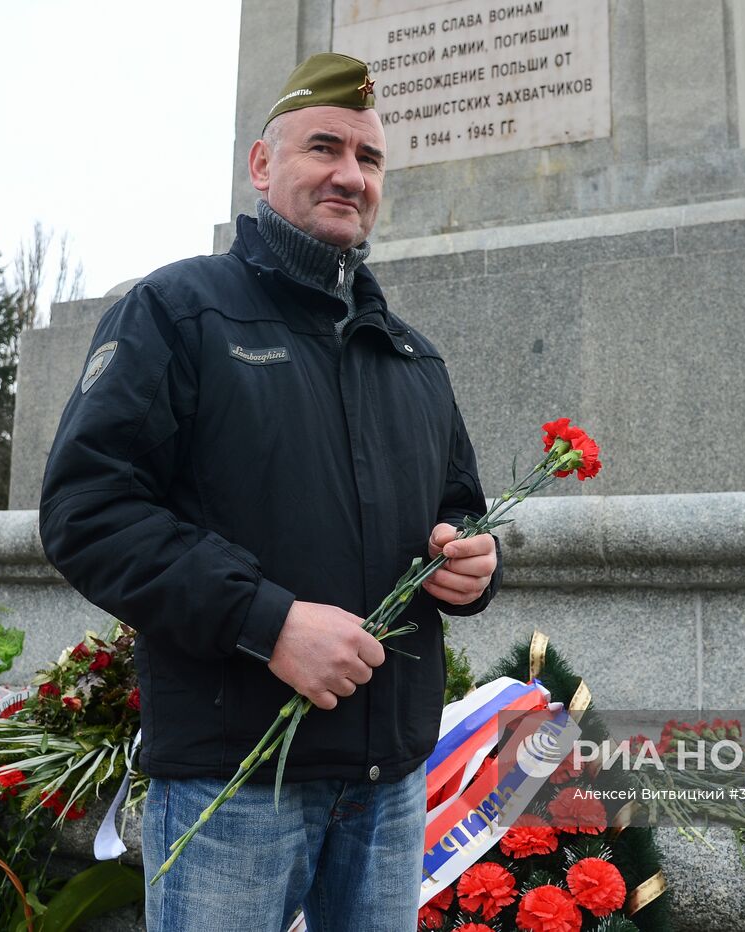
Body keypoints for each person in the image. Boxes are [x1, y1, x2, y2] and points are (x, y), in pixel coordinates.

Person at [38, 51, 501, 931]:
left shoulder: (412, 355)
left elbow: (461, 508)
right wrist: (269, 622)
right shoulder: (177, 313)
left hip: (388, 788)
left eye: (368, 159)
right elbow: (85, 512)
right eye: (323, 148)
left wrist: (476, 563)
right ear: (261, 165)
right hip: (236, 780)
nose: (348, 175)